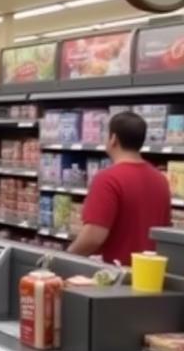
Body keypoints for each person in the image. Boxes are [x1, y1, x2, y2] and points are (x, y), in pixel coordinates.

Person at [68, 111, 172, 265]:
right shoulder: (160, 179)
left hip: (114, 277)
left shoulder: (107, 179)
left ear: (113, 139)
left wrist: (65, 258)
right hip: (149, 275)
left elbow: (94, 236)